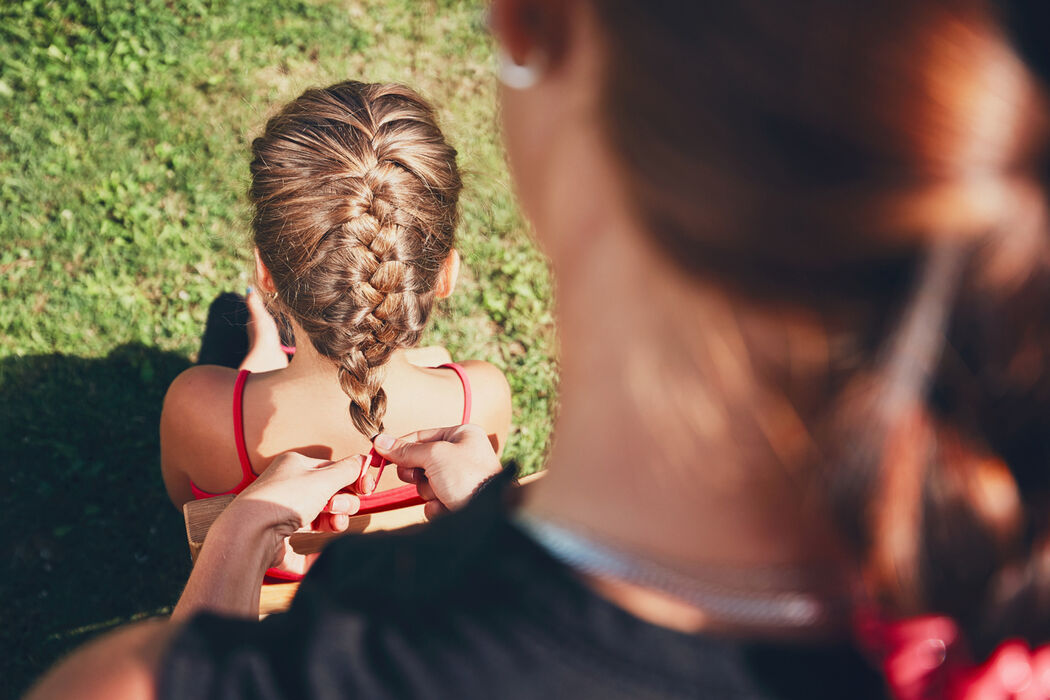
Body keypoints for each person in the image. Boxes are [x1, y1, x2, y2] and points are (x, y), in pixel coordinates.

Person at [28, 0, 1050, 698]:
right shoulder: (480, 400)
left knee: (233, 363)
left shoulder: (176, 654)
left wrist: (246, 524)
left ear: (536, 24)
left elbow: (175, 527)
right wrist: (486, 501)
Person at [158, 81, 513, 577]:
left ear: (265, 272)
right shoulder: (481, 397)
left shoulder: (198, 409)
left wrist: (251, 380)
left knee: (226, 313)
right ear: (446, 273)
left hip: (268, 589)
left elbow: (185, 505)